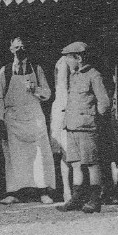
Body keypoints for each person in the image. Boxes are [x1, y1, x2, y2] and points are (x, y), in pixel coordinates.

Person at [0, 37, 55, 204]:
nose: (19, 50)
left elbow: (48, 93)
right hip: (13, 119)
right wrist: (0, 118)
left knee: (39, 154)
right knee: (14, 156)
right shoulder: (5, 71)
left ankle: (43, 191)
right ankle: (14, 192)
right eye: (16, 47)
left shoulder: (36, 69)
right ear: (11, 49)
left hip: (34, 117)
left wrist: (36, 90)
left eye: (22, 47)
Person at [56, 42, 110, 214]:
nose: (67, 63)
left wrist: (93, 118)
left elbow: (104, 102)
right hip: (71, 126)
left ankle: (95, 200)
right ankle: (77, 199)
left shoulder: (94, 75)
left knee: (92, 163)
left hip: (87, 127)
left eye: (68, 59)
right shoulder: (74, 76)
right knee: (76, 164)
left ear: (78, 58)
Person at [50, 55, 74, 202]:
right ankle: (66, 190)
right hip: (61, 108)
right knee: (64, 152)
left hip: (67, 107)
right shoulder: (63, 61)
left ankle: (71, 190)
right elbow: (61, 86)